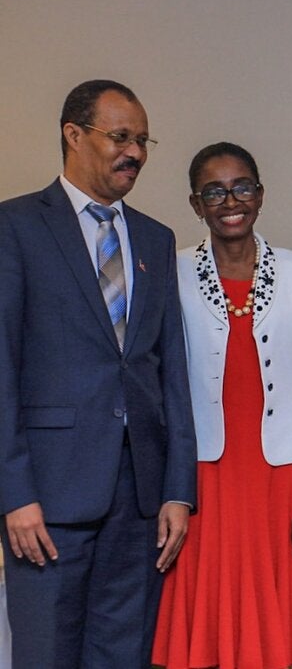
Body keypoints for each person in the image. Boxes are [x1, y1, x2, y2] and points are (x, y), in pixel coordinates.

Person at [0, 79, 197, 667]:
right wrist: (15, 496)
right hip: (49, 499)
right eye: (120, 137)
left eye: (142, 140)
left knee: (124, 655)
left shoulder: (156, 240)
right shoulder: (14, 227)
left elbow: (172, 374)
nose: (133, 152)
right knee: (48, 653)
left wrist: (178, 490)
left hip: (140, 501)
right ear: (73, 135)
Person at [152, 142, 292, 668]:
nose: (229, 200)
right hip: (203, 475)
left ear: (259, 195)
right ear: (196, 204)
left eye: (241, 187)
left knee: (274, 635)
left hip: (280, 475)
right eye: (213, 191)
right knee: (208, 628)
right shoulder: (171, 270)